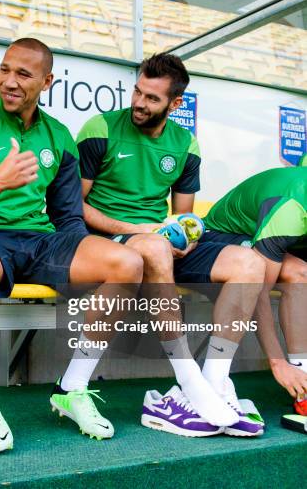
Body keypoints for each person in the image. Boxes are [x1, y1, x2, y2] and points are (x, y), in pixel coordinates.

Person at [0, 38, 144, 454]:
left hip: (40, 241)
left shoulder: (59, 136)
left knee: (127, 262)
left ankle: (73, 389)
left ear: (47, 81)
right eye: (4, 70)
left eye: (23, 74)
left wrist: (81, 263)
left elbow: (68, 219)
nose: (9, 82)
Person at [77, 53, 266, 437]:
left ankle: (214, 382)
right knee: (155, 247)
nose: (139, 103)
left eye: (151, 98)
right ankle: (189, 379)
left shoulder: (186, 145)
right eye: (137, 92)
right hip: (108, 244)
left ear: (175, 104)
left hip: (157, 243)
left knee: (249, 263)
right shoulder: (99, 128)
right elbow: (76, 208)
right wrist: (141, 229)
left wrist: (184, 236)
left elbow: (184, 217)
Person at [203, 166, 307, 415]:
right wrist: (277, 362)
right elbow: (258, 290)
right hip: (221, 236)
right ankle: (301, 382)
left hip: (273, 236)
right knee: (298, 273)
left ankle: (302, 376)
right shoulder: (290, 211)